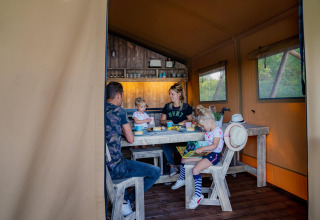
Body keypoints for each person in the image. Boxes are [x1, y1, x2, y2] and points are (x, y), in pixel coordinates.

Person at [106, 82, 161, 216]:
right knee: (156, 171)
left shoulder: (98, 110)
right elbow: (131, 139)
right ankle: (127, 200)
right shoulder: (119, 111)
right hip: (116, 167)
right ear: (118, 96)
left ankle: (123, 199)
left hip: (101, 168)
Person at [171, 105, 224, 209]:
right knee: (183, 159)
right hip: (206, 153)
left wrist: (202, 149)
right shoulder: (209, 131)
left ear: (209, 122)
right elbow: (206, 144)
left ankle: (198, 195)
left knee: (195, 170)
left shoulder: (217, 131)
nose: (202, 128)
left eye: (203, 126)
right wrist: (197, 147)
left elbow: (215, 145)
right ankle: (182, 179)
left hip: (214, 155)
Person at [161, 83, 193, 176]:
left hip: (183, 137)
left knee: (190, 145)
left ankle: (186, 171)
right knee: (165, 145)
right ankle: (171, 167)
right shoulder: (167, 106)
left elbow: (191, 120)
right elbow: (162, 121)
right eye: (169, 94)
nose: (170, 96)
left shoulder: (186, 107)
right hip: (170, 137)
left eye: (172, 94)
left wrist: (185, 121)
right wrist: (167, 121)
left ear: (179, 94)